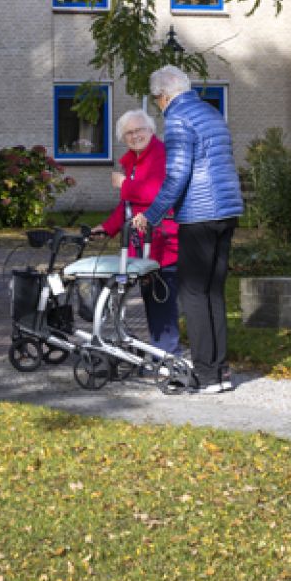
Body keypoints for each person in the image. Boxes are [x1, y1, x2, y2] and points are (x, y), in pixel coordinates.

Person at [132, 65, 243, 394]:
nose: (158, 106)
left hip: (199, 214)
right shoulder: (210, 113)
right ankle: (219, 371)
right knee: (213, 292)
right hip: (227, 212)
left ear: (164, 95)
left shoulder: (178, 119)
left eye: (156, 100)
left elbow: (177, 174)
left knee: (194, 293)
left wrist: (151, 214)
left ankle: (206, 376)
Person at [99, 108, 180, 355]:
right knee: (151, 299)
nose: (135, 136)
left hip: (162, 242)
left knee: (161, 301)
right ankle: (160, 353)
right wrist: (106, 228)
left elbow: (155, 195)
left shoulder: (159, 155)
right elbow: (128, 206)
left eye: (139, 130)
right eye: (129, 133)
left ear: (151, 130)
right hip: (142, 243)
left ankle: (168, 356)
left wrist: (125, 184)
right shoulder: (133, 160)